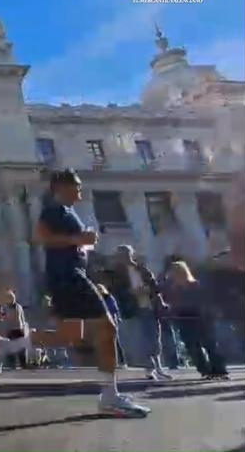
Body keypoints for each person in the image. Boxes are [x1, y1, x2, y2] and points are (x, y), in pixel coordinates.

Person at [35, 168, 150, 417]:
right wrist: (78, 238)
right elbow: (42, 237)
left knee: (75, 334)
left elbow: (66, 242)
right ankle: (110, 396)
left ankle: (13, 342)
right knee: (107, 327)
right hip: (68, 277)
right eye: (75, 186)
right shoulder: (54, 209)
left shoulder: (67, 212)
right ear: (60, 188)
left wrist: (83, 243)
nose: (79, 191)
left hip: (71, 275)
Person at [109, 244, 172, 381]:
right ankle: (150, 369)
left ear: (131, 254)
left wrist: (148, 290)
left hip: (148, 307)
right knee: (139, 340)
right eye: (120, 255)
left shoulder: (142, 269)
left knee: (154, 337)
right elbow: (115, 291)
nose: (123, 257)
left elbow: (155, 286)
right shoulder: (116, 274)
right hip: (131, 309)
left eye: (126, 254)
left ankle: (158, 367)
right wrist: (130, 293)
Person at [164, 261, 228, 380]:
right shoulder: (173, 288)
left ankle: (219, 370)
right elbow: (173, 304)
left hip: (200, 319)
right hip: (184, 320)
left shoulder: (194, 285)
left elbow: (205, 301)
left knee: (210, 345)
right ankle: (205, 370)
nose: (173, 276)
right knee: (193, 347)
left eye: (175, 273)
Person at [97, 284, 127, 368]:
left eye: (100, 289)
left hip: (112, 320)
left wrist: (116, 319)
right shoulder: (98, 299)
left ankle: (122, 362)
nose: (99, 291)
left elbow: (114, 309)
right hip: (103, 321)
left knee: (115, 342)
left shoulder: (108, 298)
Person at [0, 290, 28, 369]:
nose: (11, 299)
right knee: (11, 347)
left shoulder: (18, 306)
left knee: (21, 348)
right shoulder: (5, 307)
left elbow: (22, 318)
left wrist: (24, 327)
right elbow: (3, 318)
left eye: (12, 298)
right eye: (9, 298)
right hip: (10, 329)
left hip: (19, 329)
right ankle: (12, 364)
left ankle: (23, 364)